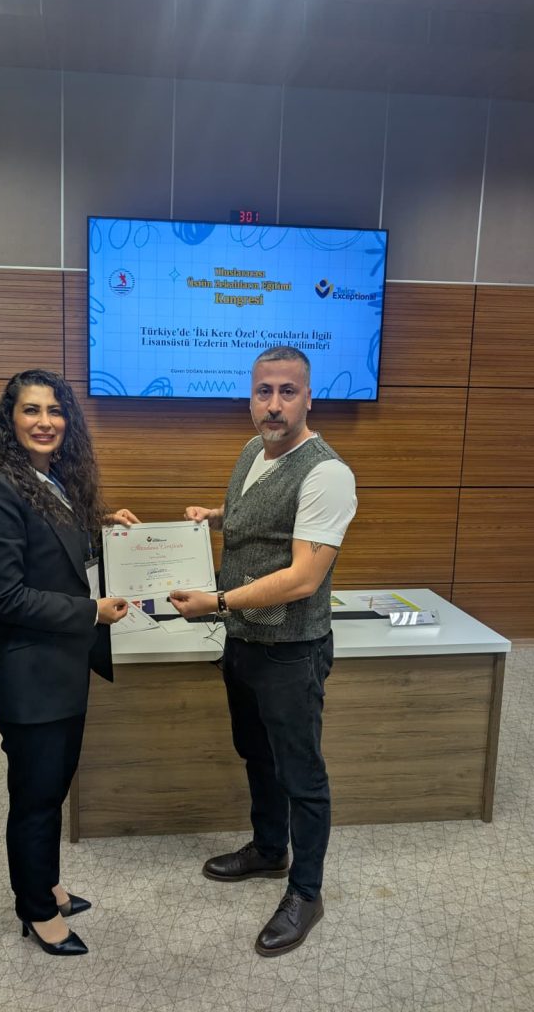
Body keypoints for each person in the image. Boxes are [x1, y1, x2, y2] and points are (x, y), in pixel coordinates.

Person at [169, 346, 357, 957]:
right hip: (245, 640)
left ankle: (306, 891)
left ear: (309, 399)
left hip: (291, 650)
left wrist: (217, 602)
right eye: (263, 392)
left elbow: (303, 577)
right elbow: (266, 516)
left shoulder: (328, 474)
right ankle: (270, 849)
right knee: (256, 753)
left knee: (301, 774)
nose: (273, 405)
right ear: (251, 397)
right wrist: (215, 517)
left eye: (287, 392)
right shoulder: (255, 449)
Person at [0, 369, 138, 957]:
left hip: (61, 667)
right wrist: (91, 612)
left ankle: (47, 884)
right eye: (31, 410)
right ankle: (35, 909)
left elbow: (57, 548)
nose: (45, 422)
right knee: (36, 797)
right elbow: (7, 597)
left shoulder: (50, 479)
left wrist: (103, 525)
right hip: (30, 677)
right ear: (10, 420)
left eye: (55, 410)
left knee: (54, 786)